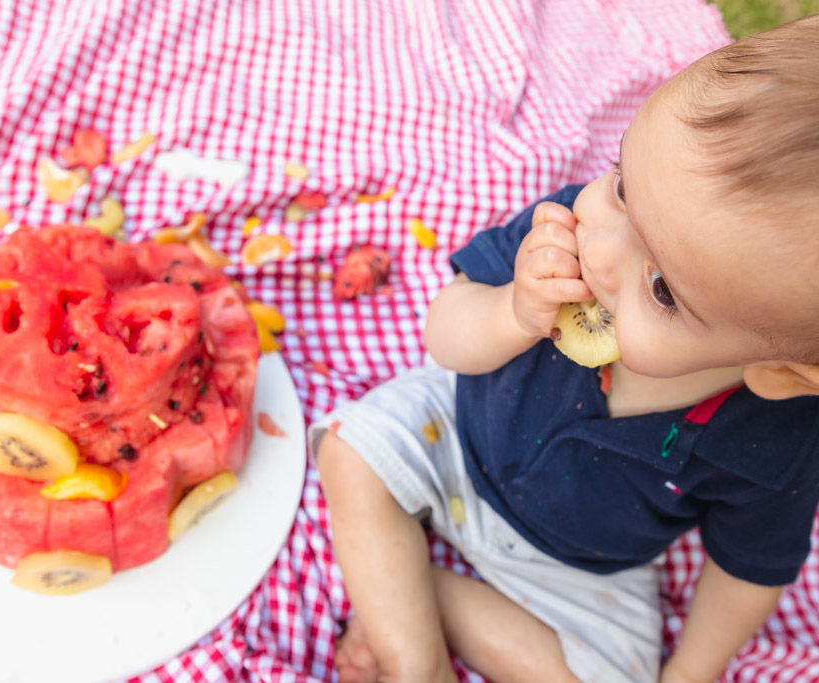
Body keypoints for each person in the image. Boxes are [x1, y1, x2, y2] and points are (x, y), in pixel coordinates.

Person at [309, 15, 819, 683]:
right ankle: (417, 662)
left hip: (583, 565)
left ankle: (413, 588)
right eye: (622, 186)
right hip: (458, 440)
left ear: (780, 371)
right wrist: (513, 311)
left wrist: (691, 671)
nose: (601, 251)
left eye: (661, 287)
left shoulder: (774, 443)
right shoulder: (562, 234)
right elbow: (445, 336)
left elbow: (746, 571)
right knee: (351, 449)